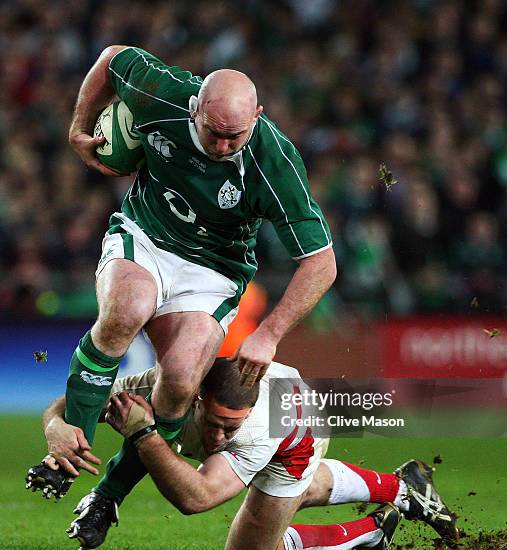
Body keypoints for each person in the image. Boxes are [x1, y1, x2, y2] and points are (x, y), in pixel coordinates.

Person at [60, 44, 336, 476]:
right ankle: (68, 450)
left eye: (237, 135)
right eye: (214, 132)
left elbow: (321, 262)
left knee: (184, 377)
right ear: (195, 109)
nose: (224, 145)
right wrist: (79, 127)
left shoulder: (274, 162)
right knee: (125, 311)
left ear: (257, 116)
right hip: (147, 233)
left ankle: (109, 493)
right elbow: (113, 58)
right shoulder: (161, 94)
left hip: (214, 267)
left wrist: (269, 335)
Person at [29, 359, 458, 550]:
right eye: (212, 422)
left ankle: (369, 532)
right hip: (278, 402)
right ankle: (403, 488)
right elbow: (69, 404)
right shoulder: (160, 388)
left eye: (228, 429)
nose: (217, 437)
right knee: (292, 495)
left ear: (246, 416)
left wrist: (143, 433)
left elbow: (197, 498)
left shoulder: (256, 428)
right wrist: (55, 432)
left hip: (294, 433)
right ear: (194, 398)